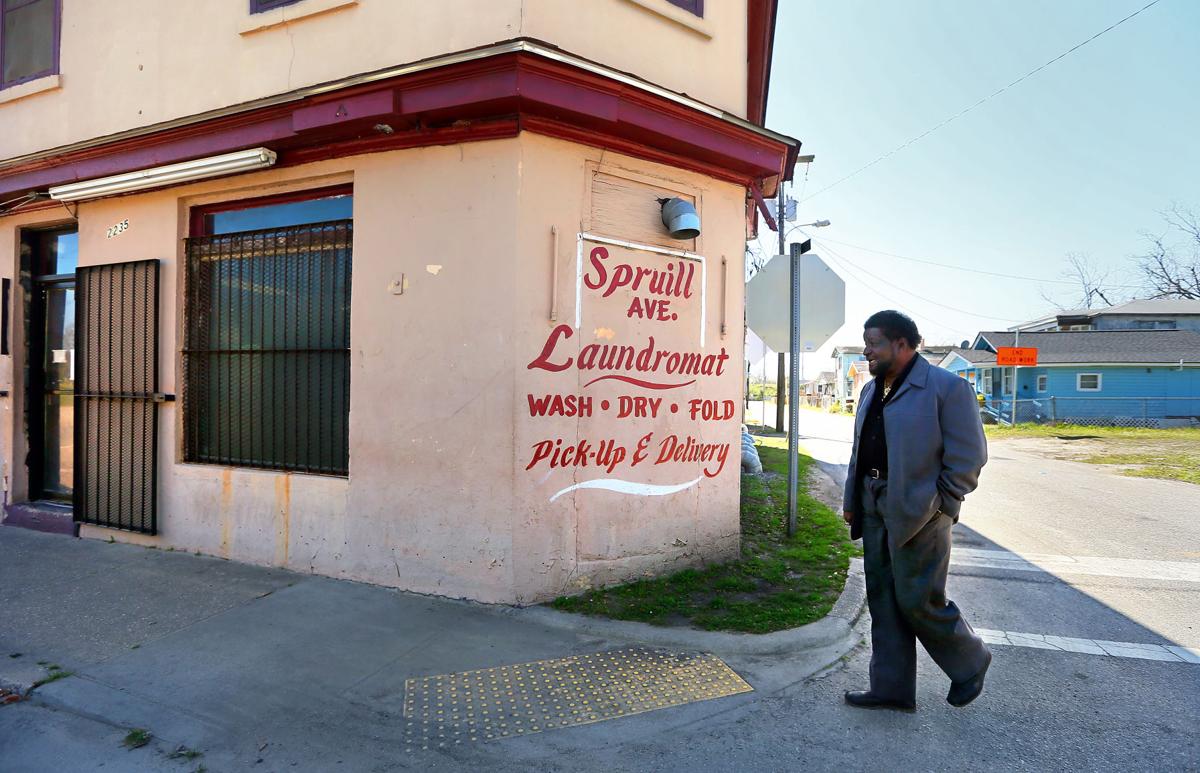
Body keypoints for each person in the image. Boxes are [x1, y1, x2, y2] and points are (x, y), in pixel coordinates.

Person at [842, 310, 991, 711]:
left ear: (902, 344)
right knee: (884, 599)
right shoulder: (873, 390)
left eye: (873, 343)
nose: (867, 350)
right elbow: (861, 450)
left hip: (922, 510)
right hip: (873, 502)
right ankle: (890, 688)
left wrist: (944, 502)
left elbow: (969, 457)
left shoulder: (946, 388)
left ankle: (971, 661)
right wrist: (853, 502)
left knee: (918, 598)